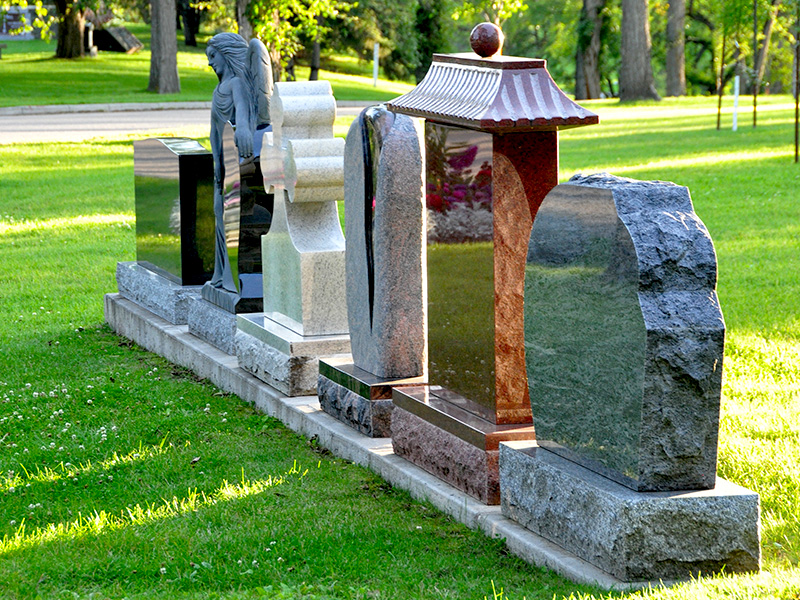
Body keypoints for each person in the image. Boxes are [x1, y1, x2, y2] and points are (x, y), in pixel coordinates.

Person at [206, 32, 260, 292]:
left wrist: (244, 129)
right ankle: (221, 275)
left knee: (228, 214)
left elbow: (242, 108)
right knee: (219, 212)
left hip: (235, 162)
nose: (210, 63)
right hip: (222, 162)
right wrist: (216, 161)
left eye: (213, 56)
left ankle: (231, 278)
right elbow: (214, 131)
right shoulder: (219, 88)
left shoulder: (237, 83)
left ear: (226, 54)